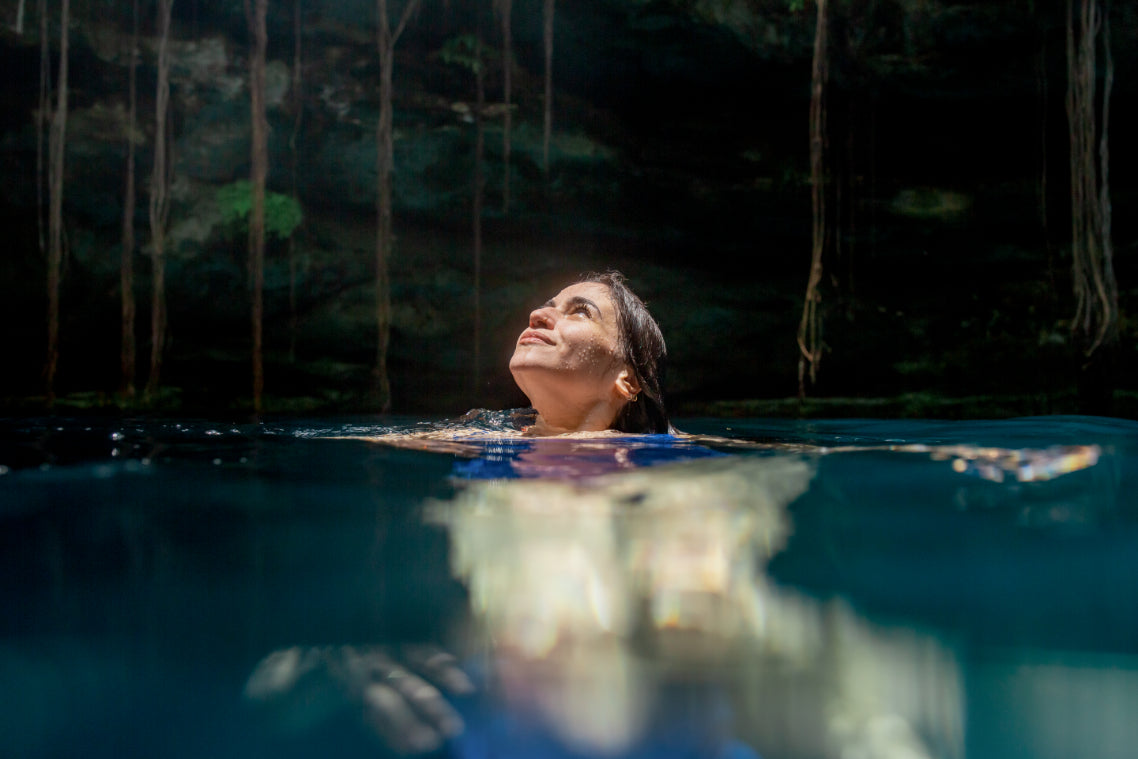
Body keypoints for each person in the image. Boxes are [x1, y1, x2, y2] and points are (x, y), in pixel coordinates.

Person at [510, 271, 670, 435]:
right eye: (547, 308)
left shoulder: (682, 452)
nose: (537, 314)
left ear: (628, 381)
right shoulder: (489, 438)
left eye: (580, 312)